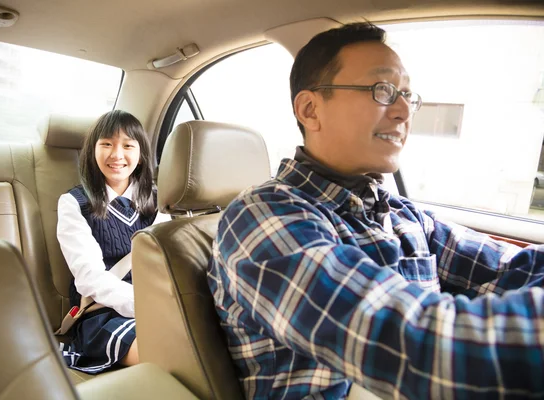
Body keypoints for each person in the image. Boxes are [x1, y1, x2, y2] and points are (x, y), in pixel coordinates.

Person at [207, 22, 544, 399]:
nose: (403, 111)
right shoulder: (261, 218)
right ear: (310, 109)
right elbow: (410, 341)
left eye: (407, 95)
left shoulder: (403, 216)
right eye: (382, 90)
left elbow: (515, 268)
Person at [57, 110, 156, 373]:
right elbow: (89, 277)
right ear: (92, 151)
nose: (117, 155)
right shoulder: (75, 203)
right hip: (103, 313)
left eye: (127, 145)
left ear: (141, 153)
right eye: (107, 144)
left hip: (160, 305)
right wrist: (148, 307)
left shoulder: (161, 201)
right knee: (169, 354)